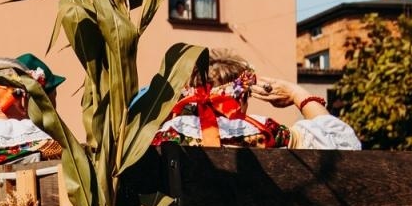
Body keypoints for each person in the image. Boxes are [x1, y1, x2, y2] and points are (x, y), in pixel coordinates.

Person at [151, 58, 361, 150]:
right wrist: (298, 94)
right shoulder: (267, 132)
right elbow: (344, 144)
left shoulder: (165, 134)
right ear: (242, 97)